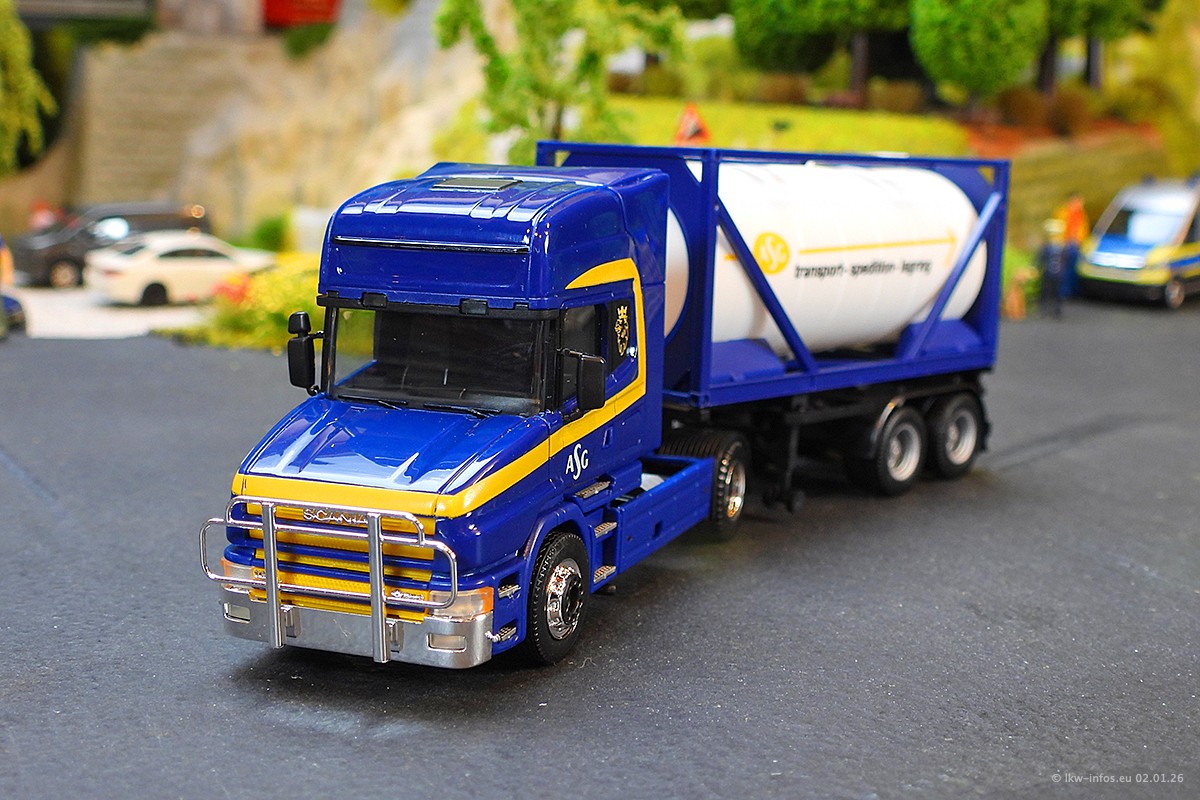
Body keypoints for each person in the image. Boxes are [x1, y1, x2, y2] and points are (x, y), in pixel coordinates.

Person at [1055, 192, 1089, 296]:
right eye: (1079, 201)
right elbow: (1060, 229)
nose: (1081, 204)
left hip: (1076, 245)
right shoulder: (1063, 213)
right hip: (1065, 245)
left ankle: (1073, 291)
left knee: (1074, 269)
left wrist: (1081, 242)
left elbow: (1083, 230)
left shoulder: (1081, 214)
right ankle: (1063, 292)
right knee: (1064, 269)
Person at [1038, 218, 1069, 318]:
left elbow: (1067, 260)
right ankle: (1044, 308)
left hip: (1059, 273)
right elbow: (1041, 258)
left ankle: (1057, 309)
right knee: (1046, 290)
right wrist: (1038, 267)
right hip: (1048, 272)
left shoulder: (1064, 247)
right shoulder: (1047, 247)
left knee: (1058, 292)